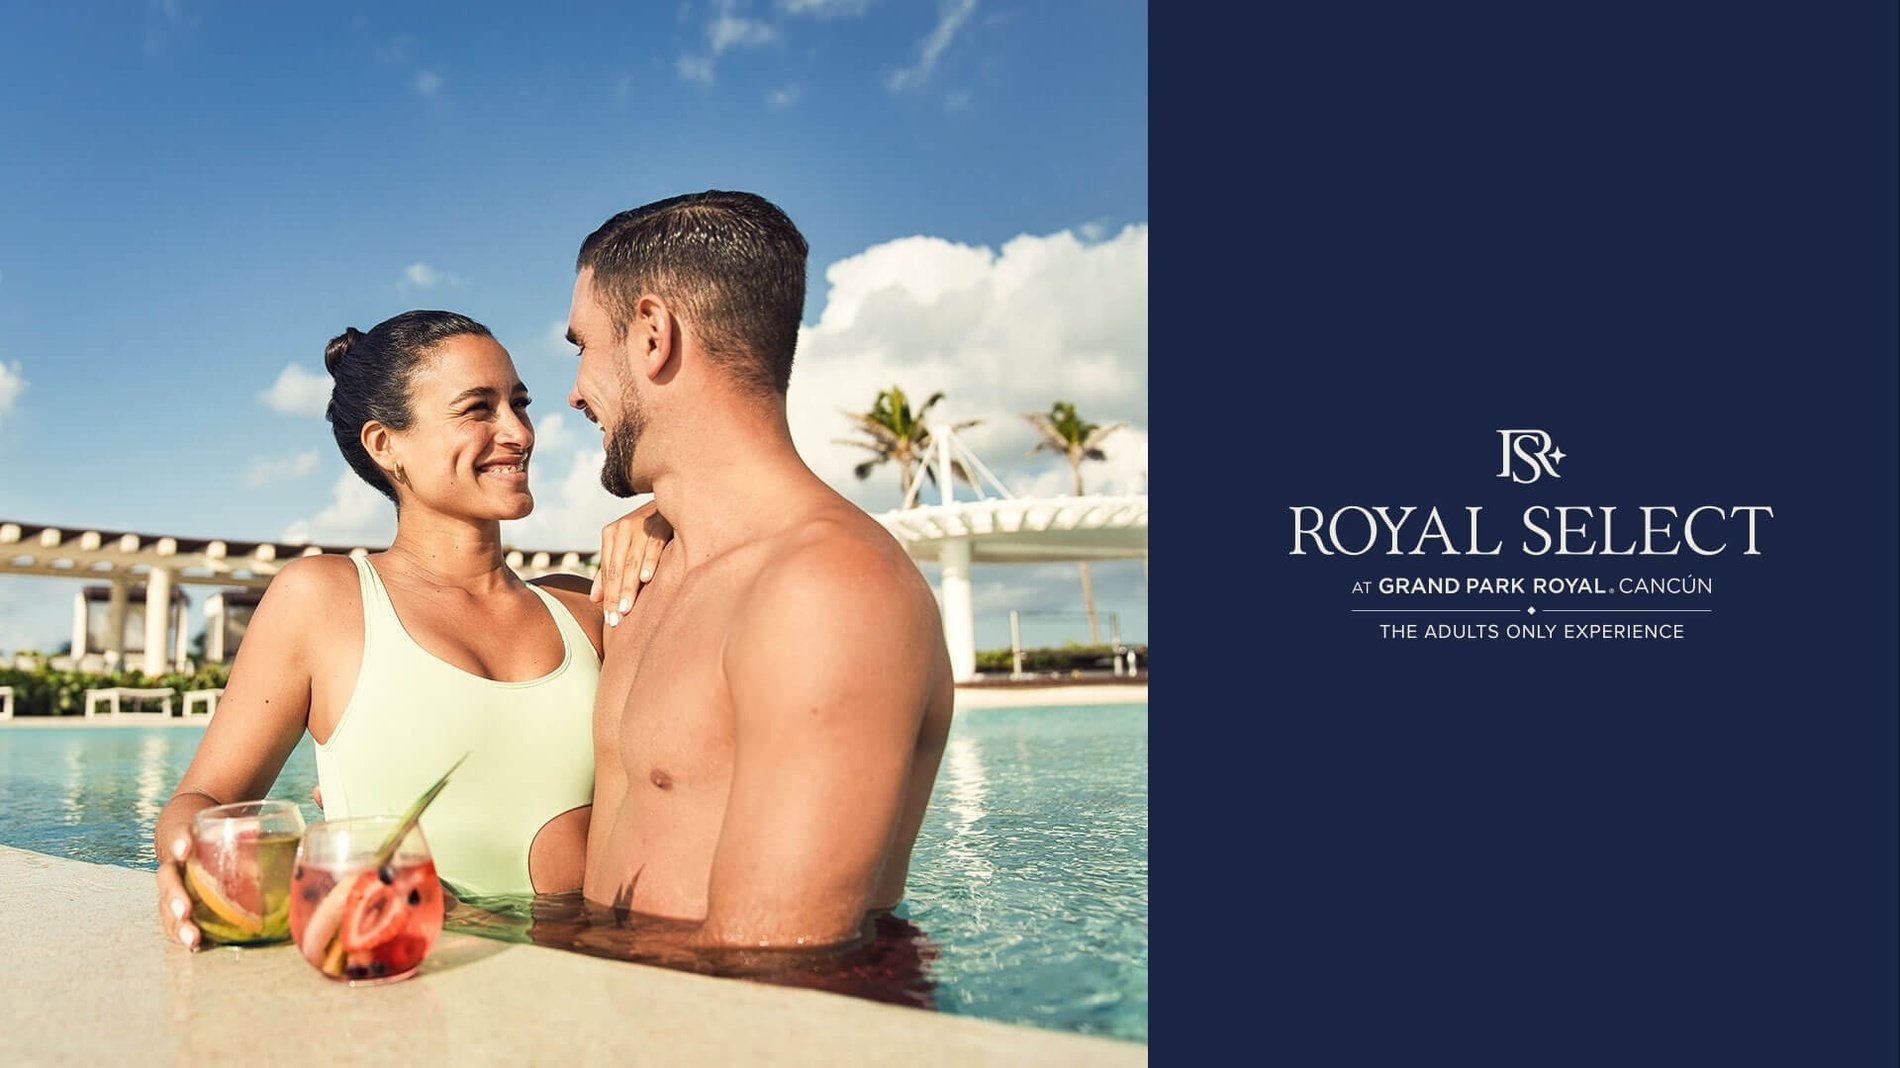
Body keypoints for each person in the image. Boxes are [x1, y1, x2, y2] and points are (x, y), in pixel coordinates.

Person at [154, 310, 668, 949]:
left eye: (519, 403)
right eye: (478, 409)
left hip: (587, 985)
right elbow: (206, 796)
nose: (518, 431)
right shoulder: (325, 601)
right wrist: (186, 859)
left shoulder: (586, 609)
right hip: (408, 981)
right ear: (384, 444)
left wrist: (669, 512)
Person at [564, 190, 955, 951]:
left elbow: (774, 969)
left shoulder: (829, 590)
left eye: (582, 345)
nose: (576, 390)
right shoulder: (660, 573)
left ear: (652, 334)